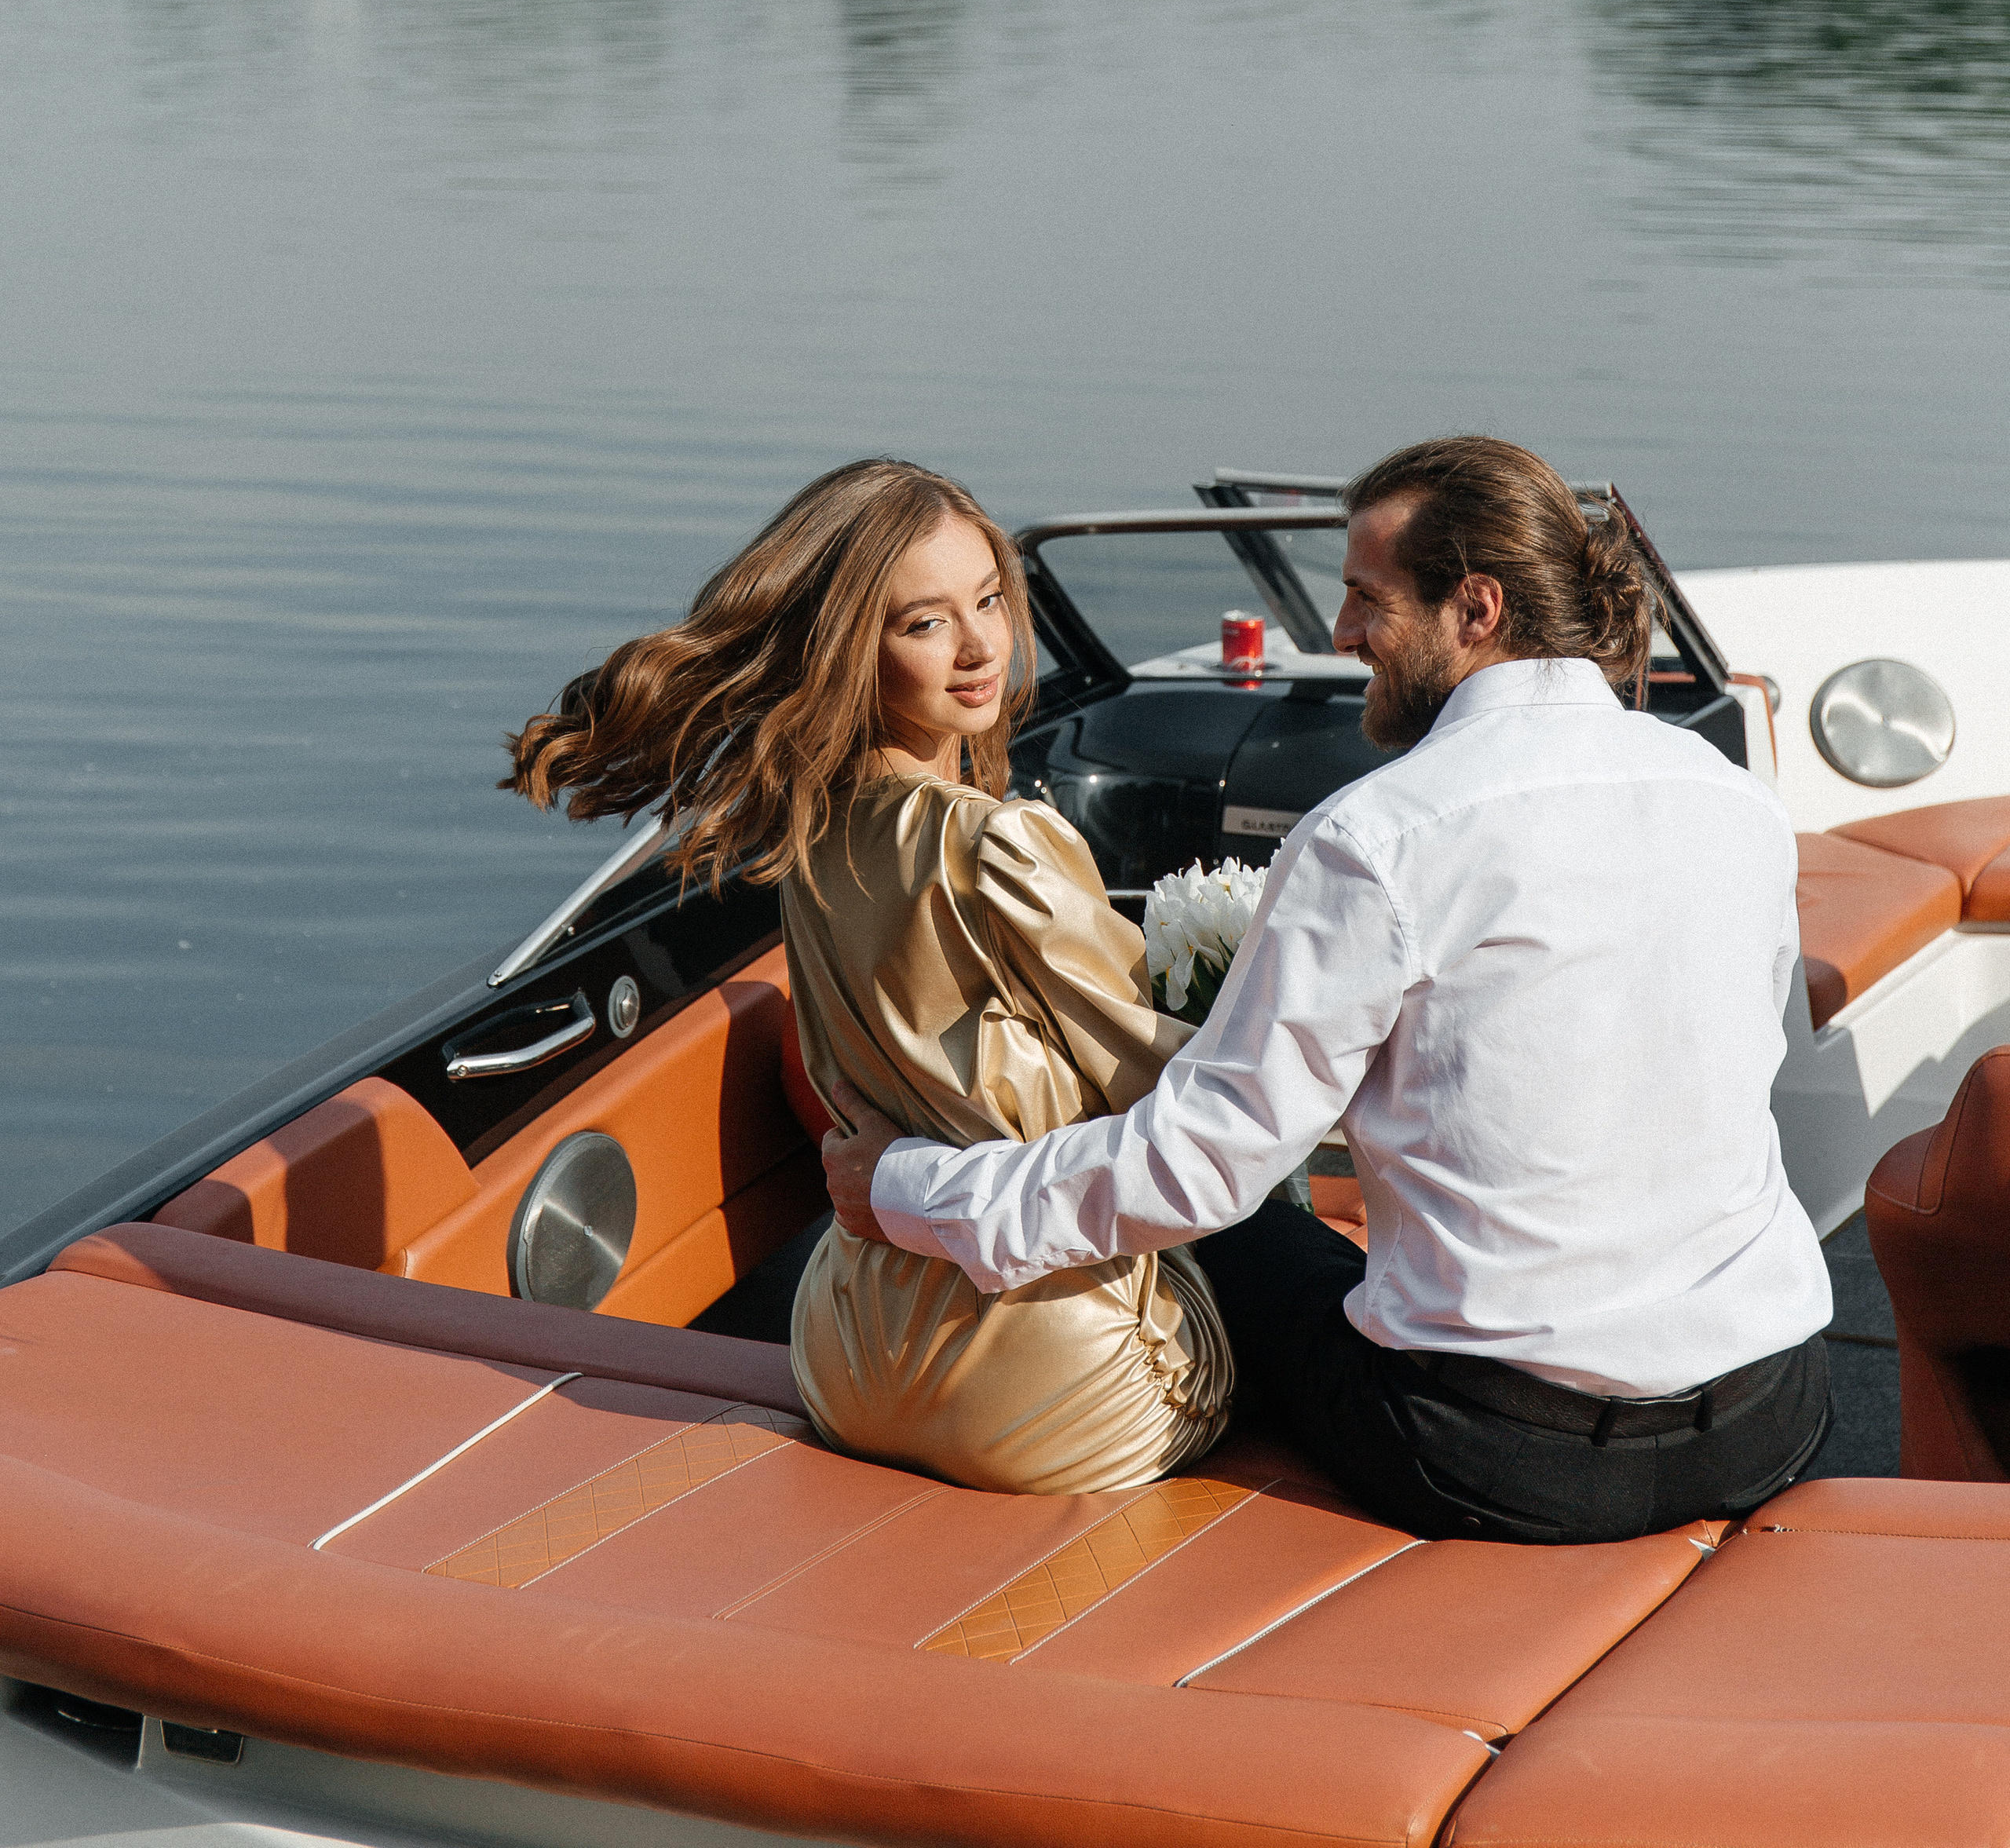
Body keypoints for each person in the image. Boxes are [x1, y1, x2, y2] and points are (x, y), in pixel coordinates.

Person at [824, 436, 1835, 1547]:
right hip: (1770, 1418)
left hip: (1502, 1459)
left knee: (1240, 1239)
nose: (1343, 634)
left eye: (1364, 598)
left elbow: (1198, 1167)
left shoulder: (1378, 836)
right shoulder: (1735, 798)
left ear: (1477, 609)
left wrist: (913, 1191)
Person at [503, 456, 1231, 1496]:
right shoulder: (1003, 842)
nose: (982, 647)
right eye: (926, 624)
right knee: (1281, 1281)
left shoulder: (807, 831)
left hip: (843, 1358)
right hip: (1057, 1385)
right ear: (855, 649)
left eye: (989, 600)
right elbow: (1167, 1091)